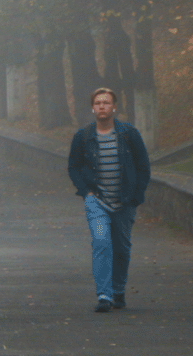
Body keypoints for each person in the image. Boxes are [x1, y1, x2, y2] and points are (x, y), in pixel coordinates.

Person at [67, 87, 150, 313]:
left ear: (114, 107)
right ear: (93, 108)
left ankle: (118, 290)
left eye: (106, 102)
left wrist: (136, 196)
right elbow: (73, 167)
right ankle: (104, 295)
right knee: (102, 242)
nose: (102, 106)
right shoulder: (83, 136)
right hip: (97, 200)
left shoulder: (128, 134)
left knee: (122, 248)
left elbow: (143, 166)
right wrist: (86, 191)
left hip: (125, 201)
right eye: (98, 103)